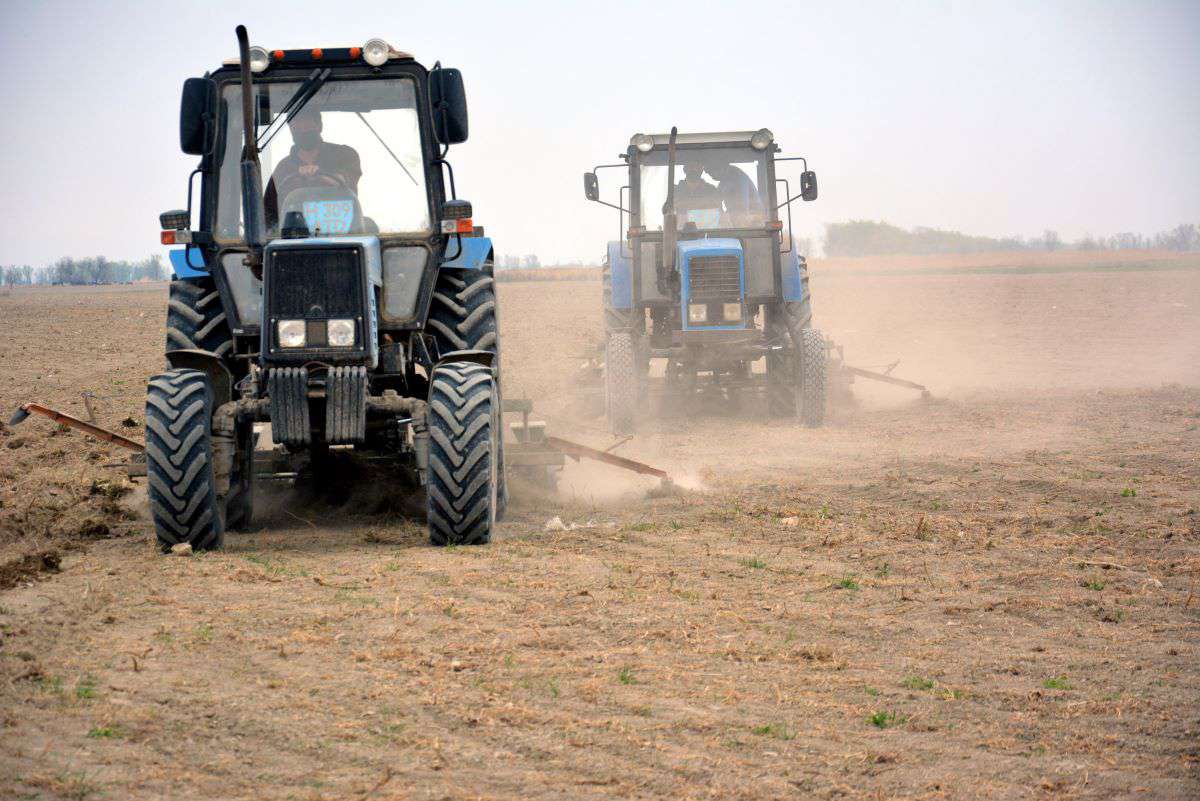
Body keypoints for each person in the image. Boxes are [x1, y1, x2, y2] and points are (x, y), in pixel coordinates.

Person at [264, 110, 362, 229]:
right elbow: (267, 213)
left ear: (319, 126)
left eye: (306, 125)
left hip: (346, 235)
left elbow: (347, 180)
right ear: (291, 130)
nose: (302, 130)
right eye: (297, 127)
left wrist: (321, 176)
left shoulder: (345, 155)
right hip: (296, 238)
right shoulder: (283, 168)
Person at [705, 161, 762, 227]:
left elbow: (742, 209)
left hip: (752, 220)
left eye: (711, 173)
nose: (711, 176)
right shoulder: (724, 180)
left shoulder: (738, 177)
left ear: (721, 168)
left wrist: (724, 216)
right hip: (738, 216)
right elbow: (716, 199)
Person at [670, 161, 722, 228]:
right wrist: (704, 203)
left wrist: (683, 204)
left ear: (701, 170)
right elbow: (666, 210)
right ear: (685, 169)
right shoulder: (674, 190)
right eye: (691, 166)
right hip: (678, 233)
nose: (694, 169)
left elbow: (719, 212)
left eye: (697, 167)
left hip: (708, 233)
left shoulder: (711, 190)